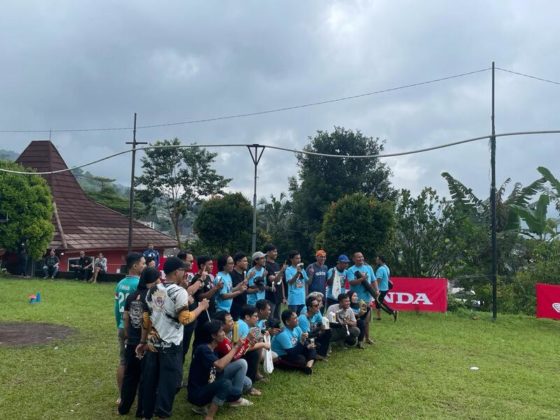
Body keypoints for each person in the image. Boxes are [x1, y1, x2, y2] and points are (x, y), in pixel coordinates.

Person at [137, 257, 210, 419]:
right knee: (169, 383)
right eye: (183, 270)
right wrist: (201, 307)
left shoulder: (152, 290)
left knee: (150, 381)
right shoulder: (179, 292)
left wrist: (143, 341)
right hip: (171, 346)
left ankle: (146, 414)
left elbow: (146, 319)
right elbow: (185, 319)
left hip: (153, 344)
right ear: (177, 272)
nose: (185, 273)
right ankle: (162, 414)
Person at [187, 319, 253, 419]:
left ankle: (223, 400)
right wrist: (235, 347)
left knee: (236, 393)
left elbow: (219, 369)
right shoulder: (202, 349)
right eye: (221, 331)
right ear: (213, 336)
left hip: (210, 384)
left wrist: (245, 343)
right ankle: (209, 416)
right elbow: (220, 365)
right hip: (197, 393)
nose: (224, 333)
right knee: (225, 384)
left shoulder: (214, 348)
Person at [118, 267, 160, 416]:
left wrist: (128, 335)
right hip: (145, 343)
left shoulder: (131, 296)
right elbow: (149, 322)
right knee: (145, 378)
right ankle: (141, 411)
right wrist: (145, 341)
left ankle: (123, 408)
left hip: (131, 342)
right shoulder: (153, 297)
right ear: (153, 280)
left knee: (130, 375)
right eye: (158, 279)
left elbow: (125, 318)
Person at [114, 252, 145, 403]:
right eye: (143, 263)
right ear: (135, 266)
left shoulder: (120, 283)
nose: (144, 266)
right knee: (138, 361)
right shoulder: (138, 284)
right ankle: (137, 394)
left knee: (123, 361)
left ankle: (122, 395)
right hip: (133, 330)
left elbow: (116, 308)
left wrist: (119, 324)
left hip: (121, 326)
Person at [236, 305, 270, 392]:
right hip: (235, 356)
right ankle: (249, 385)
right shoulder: (243, 325)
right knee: (254, 354)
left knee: (257, 347)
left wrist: (261, 338)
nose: (257, 319)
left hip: (236, 353)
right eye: (255, 316)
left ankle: (254, 375)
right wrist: (263, 344)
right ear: (247, 317)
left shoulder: (243, 324)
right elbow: (244, 349)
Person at [271, 310, 316, 374]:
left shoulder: (297, 328)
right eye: (295, 318)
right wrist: (302, 341)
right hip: (282, 356)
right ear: (287, 322)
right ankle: (306, 363)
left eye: (297, 317)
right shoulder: (283, 334)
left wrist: (307, 345)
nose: (297, 319)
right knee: (301, 359)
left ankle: (308, 367)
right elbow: (292, 353)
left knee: (312, 349)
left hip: (294, 350)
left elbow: (302, 343)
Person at [346, 252, 375, 344]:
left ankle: (367, 338)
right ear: (354, 259)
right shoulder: (351, 270)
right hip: (356, 300)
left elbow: (373, 280)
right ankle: (357, 339)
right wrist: (362, 279)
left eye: (362, 257)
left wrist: (377, 290)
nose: (361, 259)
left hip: (367, 298)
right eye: (358, 257)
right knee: (357, 320)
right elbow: (351, 282)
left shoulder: (369, 268)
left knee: (367, 321)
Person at [298, 295, 331, 359]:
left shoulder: (316, 313)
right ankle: (316, 354)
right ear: (309, 308)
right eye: (316, 306)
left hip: (312, 336)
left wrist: (322, 327)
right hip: (303, 340)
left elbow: (322, 322)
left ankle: (322, 353)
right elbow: (307, 336)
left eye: (318, 305)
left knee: (328, 330)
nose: (318, 307)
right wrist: (319, 331)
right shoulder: (303, 318)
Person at [263, 244, 287, 321]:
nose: (276, 253)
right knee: (270, 320)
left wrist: (283, 296)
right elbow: (273, 280)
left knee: (277, 320)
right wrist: (281, 271)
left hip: (278, 297)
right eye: (274, 251)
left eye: (276, 251)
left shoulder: (276, 265)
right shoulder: (266, 265)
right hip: (270, 297)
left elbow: (281, 282)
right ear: (267, 253)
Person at [374, 255, 398, 322]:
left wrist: (376, 288)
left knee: (379, 302)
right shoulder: (386, 267)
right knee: (378, 302)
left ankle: (393, 311)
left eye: (377, 259)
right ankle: (378, 317)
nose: (376, 260)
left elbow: (378, 279)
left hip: (381, 288)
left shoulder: (380, 269)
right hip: (385, 288)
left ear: (380, 260)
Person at [285, 250, 309, 315]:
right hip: (293, 300)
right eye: (297, 258)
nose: (299, 260)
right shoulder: (288, 270)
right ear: (291, 259)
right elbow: (290, 282)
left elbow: (307, 280)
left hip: (302, 298)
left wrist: (311, 273)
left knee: (302, 317)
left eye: (299, 258)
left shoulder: (302, 269)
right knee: (293, 317)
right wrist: (297, 273)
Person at [230, 252, 249, 321]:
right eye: (244, 261)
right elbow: (229, 291)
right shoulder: (231, 274)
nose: (247, 263)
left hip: (243, 306)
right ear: (237, 262)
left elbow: (246, 289)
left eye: (247, 261)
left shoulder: (244, 274)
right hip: (234, 308)